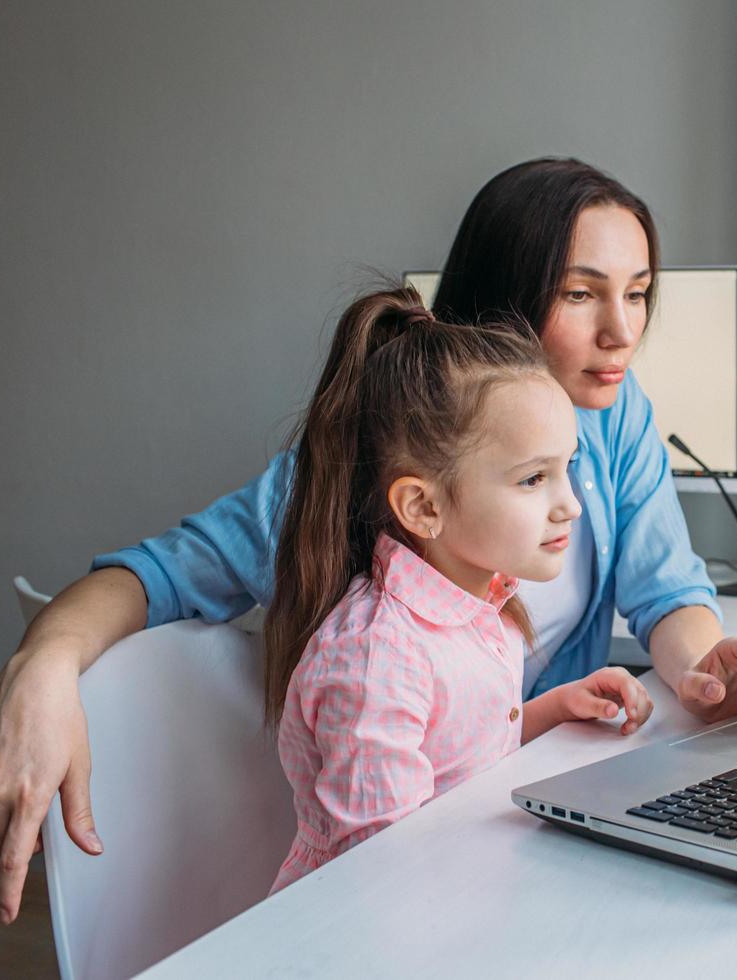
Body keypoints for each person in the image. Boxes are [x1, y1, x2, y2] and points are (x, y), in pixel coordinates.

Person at [0, 157, 737, 923]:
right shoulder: (351, 470)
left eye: (637, 293)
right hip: (426, 870)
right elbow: (154, 578)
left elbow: (667, 593)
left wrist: (708, 671)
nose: (623, 332)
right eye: (581, 293)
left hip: (524, 816)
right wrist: (39, 666)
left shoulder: (615, 412)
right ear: (506, 303)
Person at [266, 288, 655, 892]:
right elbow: (382, 873)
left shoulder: (478, 609)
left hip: (460, 898)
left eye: (567, 468)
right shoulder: (377, 659)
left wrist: (552, 710)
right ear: (423, 506)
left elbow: (456, 760)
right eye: (533, 479)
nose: (571, 505)